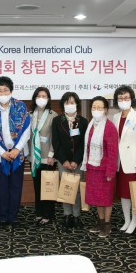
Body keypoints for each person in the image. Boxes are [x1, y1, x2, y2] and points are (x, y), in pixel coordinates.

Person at [0, 76, 30, 228]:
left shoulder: (21, 107)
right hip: (0, 155)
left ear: (11, 91)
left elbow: (26, 131)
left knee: (16, 186)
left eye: (5, 90)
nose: (3, 93)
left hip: (18, 154)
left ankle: (13, 216)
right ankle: (2, 216)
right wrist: (2, 152)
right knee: (1, 187)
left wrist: (16, 149)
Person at [81, 96, 118, 238]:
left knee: (106, 199)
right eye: (94, 107)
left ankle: (107, 225)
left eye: (99, 107)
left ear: (106, 110)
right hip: (92, 167)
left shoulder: (110, 127)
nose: (96, 110)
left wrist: (110, 172)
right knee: (97, 198)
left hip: (105, 169)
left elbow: (113, 152)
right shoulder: (91, 125)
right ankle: (100, 222)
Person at [112, 85, 136, 234]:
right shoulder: (115, 117)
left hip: (133, 163)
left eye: (126, 98)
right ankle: (126, 220)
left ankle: (134, 221)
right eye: (120, 98)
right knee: (123, 194)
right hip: (120, 162)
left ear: (131, 99)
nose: (123, 100)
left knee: (134, 194)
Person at [52, 91, 88, 229]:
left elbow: (84, 143)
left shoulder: (83, 121)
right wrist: (64, 160)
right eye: (67, 102)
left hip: (78, 162)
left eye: (72, 102)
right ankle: (67, 215)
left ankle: (77, 215)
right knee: (65, 188)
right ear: (63, 105)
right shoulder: (57, 121)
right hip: (63, 161)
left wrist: (76, 160)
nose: (70, 105)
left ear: (77, 104)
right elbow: (56, 143)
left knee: (77, 189)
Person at [28, 87, 58, 225]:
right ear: (34, 98)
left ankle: (48, 214)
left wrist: (52, 155)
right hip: (34, 157)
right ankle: (39, 212)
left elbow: (55, 138)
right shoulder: (29, 115)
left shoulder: (53, 115)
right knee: (37, 187)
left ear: (48, 98)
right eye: (39, 96)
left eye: (44, 96)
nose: (41, 98)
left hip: (48, 157)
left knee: (48, 187)